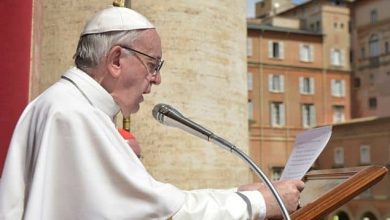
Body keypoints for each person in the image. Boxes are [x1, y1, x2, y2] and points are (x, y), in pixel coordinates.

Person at [0, 6, 304, 220]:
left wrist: (238, 193)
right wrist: (258, 203)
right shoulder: (76, 117)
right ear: (116, 59)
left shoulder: (55, 104)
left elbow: (153, 203)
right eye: (153, 65)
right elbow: (162, 213)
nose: (156, 79)